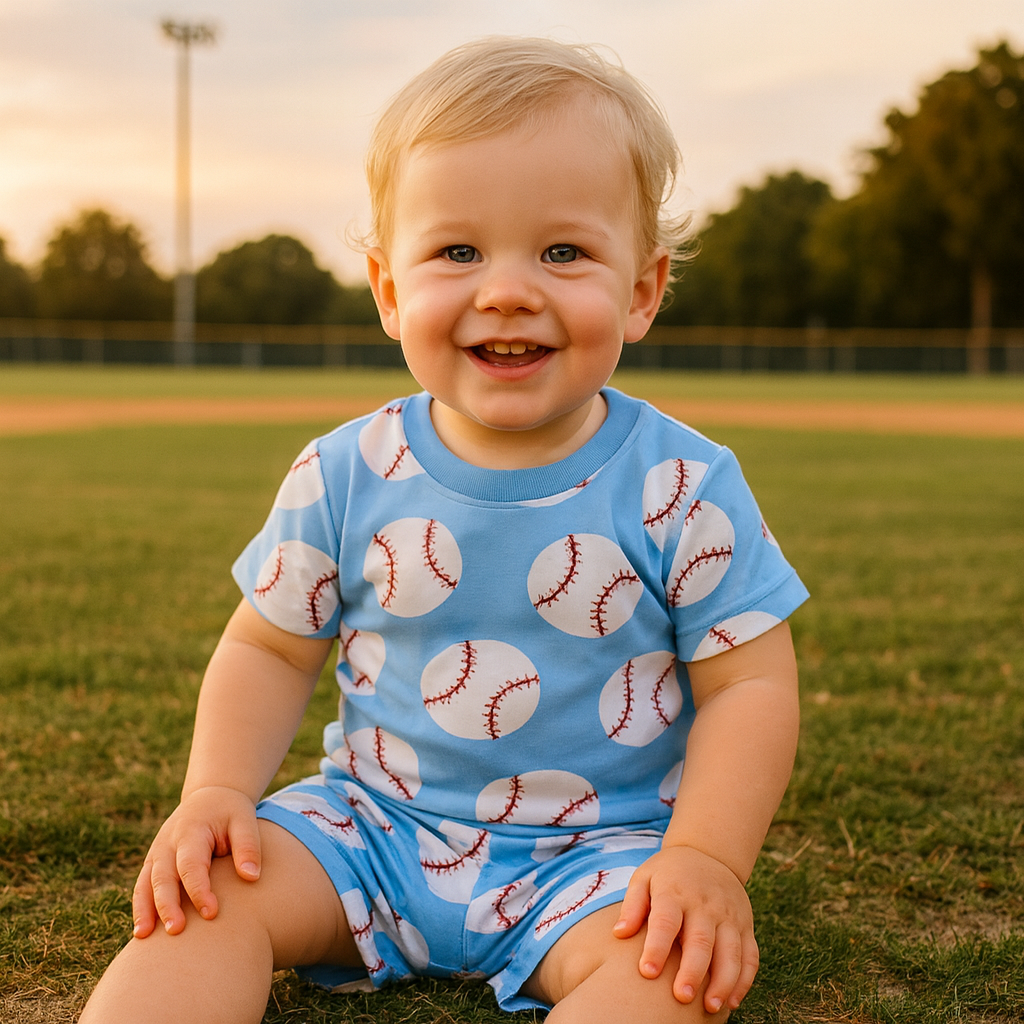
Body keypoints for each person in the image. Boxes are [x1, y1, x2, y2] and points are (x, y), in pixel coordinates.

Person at [80, 36, 807, 1024]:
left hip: (598, 857)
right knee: (202, 905)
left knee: (669, 970)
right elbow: (268, 646)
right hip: (366, 830)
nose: (505, 288)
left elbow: (749, 681)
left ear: (641, 289)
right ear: (388, 289)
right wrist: (214, 790)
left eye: (563, 251)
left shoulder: (682, 483)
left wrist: (704, 859)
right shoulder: (341, 472)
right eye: (457, 251)